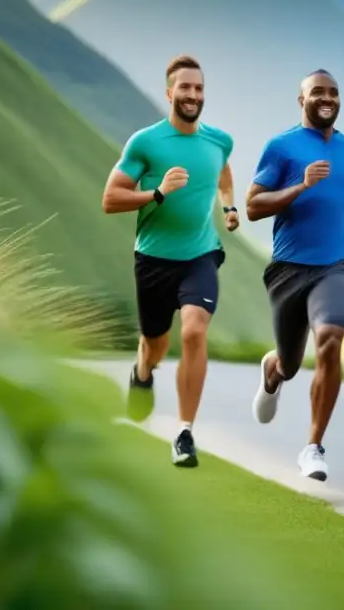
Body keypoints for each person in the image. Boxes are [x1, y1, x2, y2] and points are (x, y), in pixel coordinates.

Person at [101, 54, 240, 469]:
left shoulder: (219, 140)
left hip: (200, 254)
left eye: (198, 88)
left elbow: (224, 174)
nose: (193, 95)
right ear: (169, 93)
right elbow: (110, 199)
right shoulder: (145, 142)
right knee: (156, 344)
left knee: (195, 331)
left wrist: (230, 207)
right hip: (153, 259)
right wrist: (157, 193)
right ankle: (142, 371)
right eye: (185, 88)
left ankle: (183, 432)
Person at [245, 69, 344, 482]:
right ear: (300, 101)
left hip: (335, 264)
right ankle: (274, 372)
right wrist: (298, 188)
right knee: (290, 363)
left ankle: (313, 446)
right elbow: (253, 206)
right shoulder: (281, 147)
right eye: (317, 92)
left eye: (334, 93)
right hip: (288, 269)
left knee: (331, 339)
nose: (327, 98)